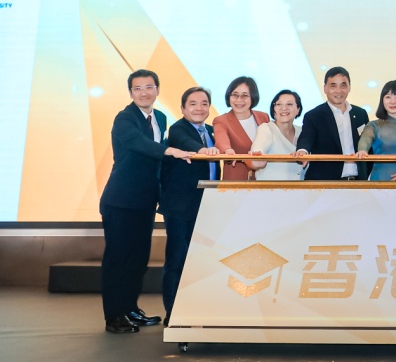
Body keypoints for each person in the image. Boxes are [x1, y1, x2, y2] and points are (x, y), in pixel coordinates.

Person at [99, 69, 194, 334]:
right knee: (118, 259)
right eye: (138, 88)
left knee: (138, 258)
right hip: (120, 200)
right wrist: (170, 151)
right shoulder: (125, 118)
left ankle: (130, 308)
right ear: (130, 93)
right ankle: (114, 315)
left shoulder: (160, 118)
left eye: (149, 87)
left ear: (157, 90)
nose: (144, 93)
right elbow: (138, 143)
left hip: (145, 200)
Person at [159, 86, 221, 325]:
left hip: (207, 208)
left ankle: (197, 310)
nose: (199, 108)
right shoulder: (177, 129)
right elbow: (186, 143)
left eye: (204, 103)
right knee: (177, 260)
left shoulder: (212, 131)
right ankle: (173, 314)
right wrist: (204, 151)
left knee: (201, 262)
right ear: (183, 108)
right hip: (180, 208)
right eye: (193, 103)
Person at [296, 67, 369, 181]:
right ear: (325, 88)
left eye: (343, 85)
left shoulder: (360, 114)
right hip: (325, 183)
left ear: (349, 87)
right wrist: (302, 152)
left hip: (358, 182)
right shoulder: (314, 115)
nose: (338, 91)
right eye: (333, 86)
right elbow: (306, 138)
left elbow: (368, 142)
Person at [212, 76, 269, 181]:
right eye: (235, 95)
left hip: (264, 180)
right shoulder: (221, 120)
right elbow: (221, 141)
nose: (239, 100)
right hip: (236, 181)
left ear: (253, 97)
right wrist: (228, 151)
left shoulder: (263, 117)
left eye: (245, 95)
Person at [247, 90, 305, 182]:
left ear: (298, 109)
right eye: (279, 104)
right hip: (270, 188)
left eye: (289, 104)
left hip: (301, 189)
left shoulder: (303, 131)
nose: (284, 108)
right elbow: (256, 158)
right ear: (273, 110)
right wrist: (256, 162)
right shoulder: (266, 129)